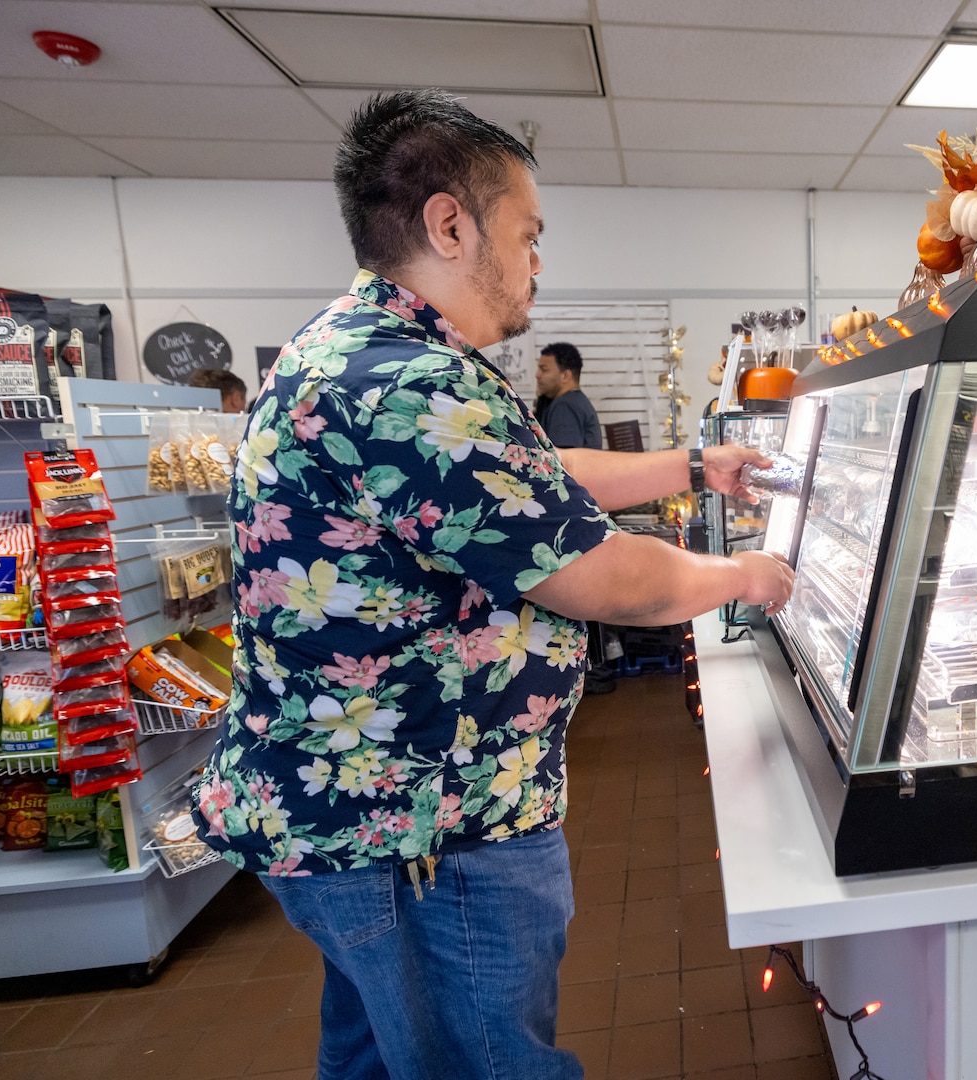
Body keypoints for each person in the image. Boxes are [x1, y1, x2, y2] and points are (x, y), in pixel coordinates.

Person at [190, 88, 793, 1080]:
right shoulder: (413, 387)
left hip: (351, 818)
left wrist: (693, 468)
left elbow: (527, 485)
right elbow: (599, 578)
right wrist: (750, 576)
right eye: (528, 232)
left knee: (381, 1058)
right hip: (424, 828)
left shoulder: (366, 355)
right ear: (449, 223)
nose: (536, 261)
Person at [534, 341, 601, 449]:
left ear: (565, 375)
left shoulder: (565, 406)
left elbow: (565, 459)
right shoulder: (574, 401)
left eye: (544, 369)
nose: (537, 375)